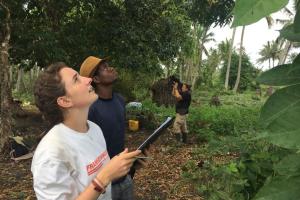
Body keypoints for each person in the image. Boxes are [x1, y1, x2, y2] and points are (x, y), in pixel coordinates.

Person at [32, 62, 141, 200]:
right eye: (76, 79)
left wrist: (126, 166)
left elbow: (105, 172)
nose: (88, 79)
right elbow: (103, 177)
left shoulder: (94, 129)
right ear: (65, 101)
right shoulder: (51, 154)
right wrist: (102, 179)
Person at [80, 56, 147, 200]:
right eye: (104, 68)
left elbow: (116, 137)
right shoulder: (89, 109)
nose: (111, 68)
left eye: (109, 65)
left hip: (125, 177)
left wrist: (132, 162)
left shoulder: (120, 100)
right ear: (96, 79)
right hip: (103, 185)